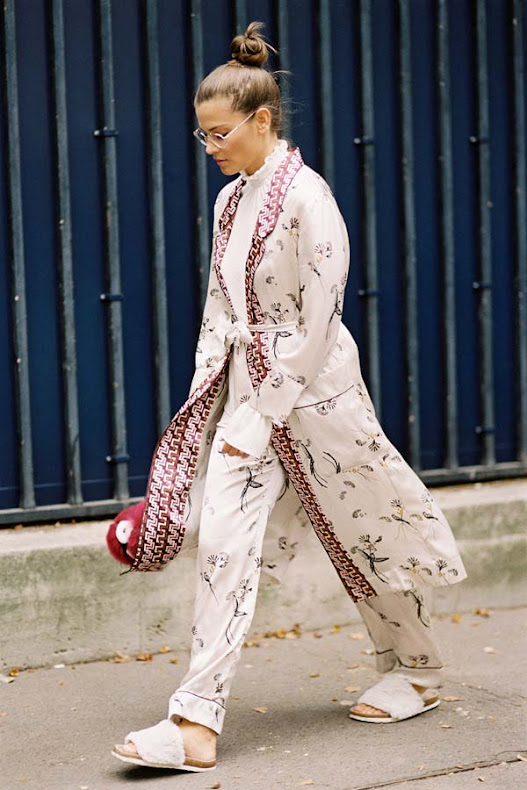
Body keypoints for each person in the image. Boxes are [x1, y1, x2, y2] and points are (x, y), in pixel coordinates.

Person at [111, 21, 467, 773]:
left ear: (262, 119)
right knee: (223, 543)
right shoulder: (228, 203)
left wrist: (268, 408)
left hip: (318, 395)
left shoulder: (309, 196)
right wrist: (210, 406)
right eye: (203, 134)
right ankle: (195, 721)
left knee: (360, 532)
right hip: (248, 397)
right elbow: (219, 307)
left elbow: (321, 315)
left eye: (220, 133)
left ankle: (418, 670)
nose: (210, 147)